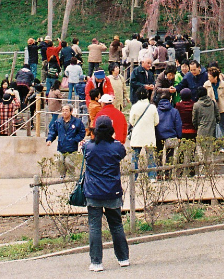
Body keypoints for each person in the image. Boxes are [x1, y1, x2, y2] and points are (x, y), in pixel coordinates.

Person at [81, 115, 130, 272]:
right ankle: (123, 258)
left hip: (93, 191)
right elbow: (122, 153)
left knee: (94, 227)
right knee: (116, 225)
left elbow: (83, 150)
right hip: (112, 190)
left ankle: (96, 262)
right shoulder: (117, 146)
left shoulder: (88, 147)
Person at [45, 105, 86, 178]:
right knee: (59, 161)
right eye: (63, 110)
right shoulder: (58, 122)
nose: (64, 112)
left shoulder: (77, 122)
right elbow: (53, 132)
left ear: (71, 111)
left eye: (66, 110)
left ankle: (71, 177)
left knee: (68, 162)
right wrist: (49, 139)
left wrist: (75, 140)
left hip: (72, 148)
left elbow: (82, 132)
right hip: (61, 146)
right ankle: (62, 175)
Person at [128, 89, 159, 179]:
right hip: (149, 134)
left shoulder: (134, 107)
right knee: (150, 157)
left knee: (135, 157)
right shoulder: (152, 107)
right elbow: (156, 122)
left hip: (137, 134)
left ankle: (134, 176)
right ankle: (152, 176)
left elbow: (131, 121)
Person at [204, 65, 224, 138]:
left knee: (221, 126)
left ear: (215, 77)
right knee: (212, 127)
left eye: (210, 76)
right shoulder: (206, 84)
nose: (208, 78)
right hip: (210, 109)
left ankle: (222, 145)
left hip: (221, 109)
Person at [155, 96, 182, 165]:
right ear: (170, 100)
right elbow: (178, 124)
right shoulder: (174, 111)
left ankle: (159, 173)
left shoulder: (156, 111)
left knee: (158, 155)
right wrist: (179, 136)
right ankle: (168, 173)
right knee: (170, 156)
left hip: (158, 136)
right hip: (171, 135)